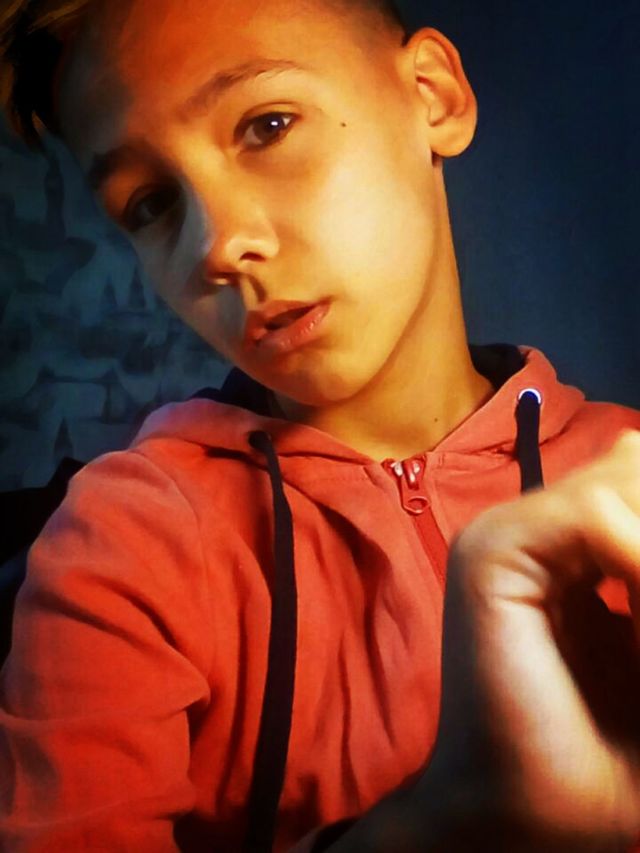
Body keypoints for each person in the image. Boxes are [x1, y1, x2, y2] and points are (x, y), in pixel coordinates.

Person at [0, 0, 638, 850]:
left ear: (434, 95)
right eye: (149, 204)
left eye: (266, 126)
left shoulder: (623, 473)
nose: (216, 246)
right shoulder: (122, 547)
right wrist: (442, 823)